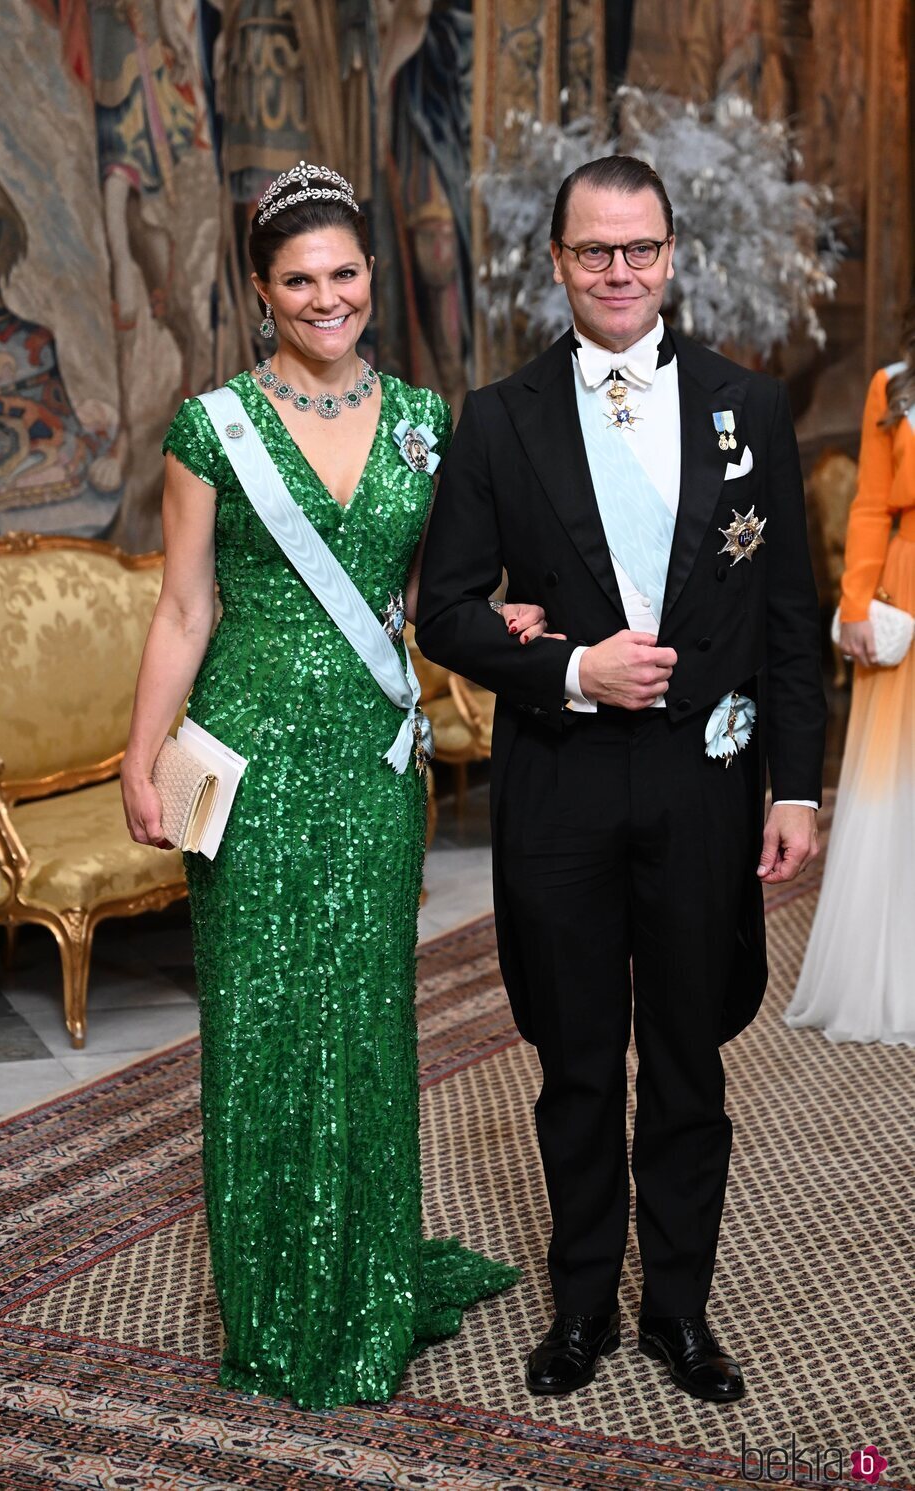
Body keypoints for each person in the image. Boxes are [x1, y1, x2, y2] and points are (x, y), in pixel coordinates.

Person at [120, 162, 539, 1410]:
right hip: (244, 758)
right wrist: (142, 761)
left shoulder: (425, 418)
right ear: (261, 292)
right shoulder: (211, 425)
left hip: (368, 763)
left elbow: (432, 595)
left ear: (371, 277)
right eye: (297, 279)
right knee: (256, 1019)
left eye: (343, 273)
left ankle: (362, 1279)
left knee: (361, 1018)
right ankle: (272, 1299)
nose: (325, 297)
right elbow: (184, 606)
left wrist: (500, 619)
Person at [416, 155, 826, 1405]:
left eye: (638, 249)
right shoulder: (497, 415)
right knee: (578, 1056)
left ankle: (679, 1313)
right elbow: (443, 610)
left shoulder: (744, 406)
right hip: (562, 783)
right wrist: (572, 667)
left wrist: (795, 787)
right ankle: (583, 1305)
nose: (618, 272)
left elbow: (789, 618)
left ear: (668, 254)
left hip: (706, 784)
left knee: (689, 1062)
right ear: (556, 262)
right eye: (593, 252)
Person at [785, 318, 915, 1046]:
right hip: (907, 590)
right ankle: (893, 975)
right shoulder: (891, 387)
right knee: (897, 784)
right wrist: (857, 603)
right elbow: (869, 506)